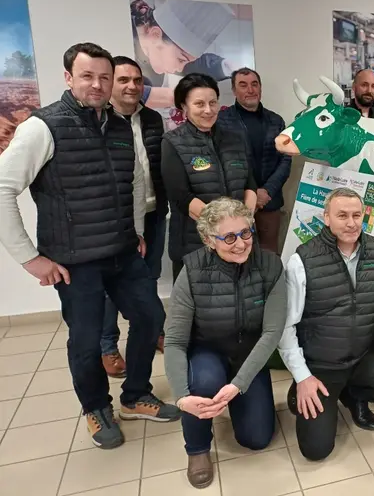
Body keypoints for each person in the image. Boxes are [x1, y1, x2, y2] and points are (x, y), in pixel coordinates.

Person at [0, 43, 179, 449]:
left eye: (104, 77)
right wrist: (30, 259)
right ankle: (96, 408)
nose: (97, 84)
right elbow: (3, 187)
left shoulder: (119, 125)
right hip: (74, 261)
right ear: (68, 78)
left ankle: (135, 395)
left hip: (122, 250)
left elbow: (132, 183)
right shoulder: (42, 126)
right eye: (87, 76)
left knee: (150, 319)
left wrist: (135, 231)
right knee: (85, 340)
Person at [279, 187, 374, 461]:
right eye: (342, 215)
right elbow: (287, 326)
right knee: (316, 450)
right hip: (321, 365)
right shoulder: (302, 260)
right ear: (326, 218)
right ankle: (303, 390)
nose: (352, 222)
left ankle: (352, 394)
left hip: (363, 354)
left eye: (357, 215)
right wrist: (303, 377)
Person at [164, 197, 286, 488]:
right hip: (208, 350)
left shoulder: (270, 266)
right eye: (229, 237)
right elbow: (175, 341)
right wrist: (181, 396)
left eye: (245, 233)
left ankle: (233, 396)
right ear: (209, 239)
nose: (241, 243)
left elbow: (272, 333)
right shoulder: (192, 271)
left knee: (256, 439)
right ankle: (197, 449)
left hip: (249, 355)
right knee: (203, 383)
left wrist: (239, 383)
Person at [100, 56, 168, 378]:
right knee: (112, 286)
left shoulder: (154, 119)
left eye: (137, 80)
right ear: (110, 83)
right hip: (117, 220)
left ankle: (152, 329)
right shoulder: (99, 120)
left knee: (148, 276)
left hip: (154, 213)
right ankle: (108, 346)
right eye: (123, 80)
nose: (132, 86)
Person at [161, 73, 258, 283]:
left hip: (238, 242)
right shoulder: (172, 142)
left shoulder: (235, 139)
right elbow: (181, 196)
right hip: (195, 243)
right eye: (199, 103)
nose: (208, 110)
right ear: (184, 107)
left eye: (213, 102)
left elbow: (250, 184)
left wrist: (243, 228)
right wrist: (222, 233)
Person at [217, 68, 291, 254]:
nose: (250, 90)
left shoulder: (276, 121)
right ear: (234, 91)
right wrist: (249, 193)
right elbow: (221, 162)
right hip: (236, 201)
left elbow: (286, 159)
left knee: (269, 254)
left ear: (260, 88)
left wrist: (267, 191)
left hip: (269, 200)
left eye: (254, 84)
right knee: (238, 252)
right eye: (243, 85)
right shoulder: (221, 121)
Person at [130, 0, 237, 110]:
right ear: (155, 35)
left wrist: (223, 65)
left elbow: (195, 64)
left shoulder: (155, 50)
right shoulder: (122, 34)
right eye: (180, 60)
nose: (180, 69)